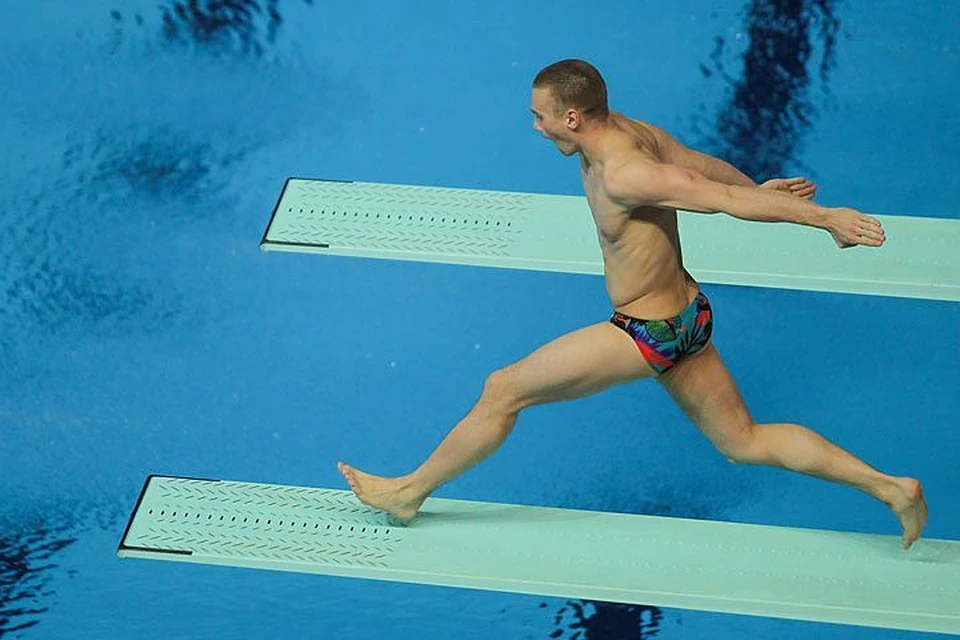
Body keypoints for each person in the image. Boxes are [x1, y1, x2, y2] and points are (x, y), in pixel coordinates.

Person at [338, 59, 928, 549]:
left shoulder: (625, 172)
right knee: (744, 440)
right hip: (687, 317)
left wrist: (825, 218)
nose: (537, 129)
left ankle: (409, 492)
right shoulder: (628, 132)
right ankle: (890, 488)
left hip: (648, 332)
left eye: (539, 118)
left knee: (503, 389)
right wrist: (755, 186)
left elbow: (716, 198)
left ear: (571, 116)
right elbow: (699, 165)